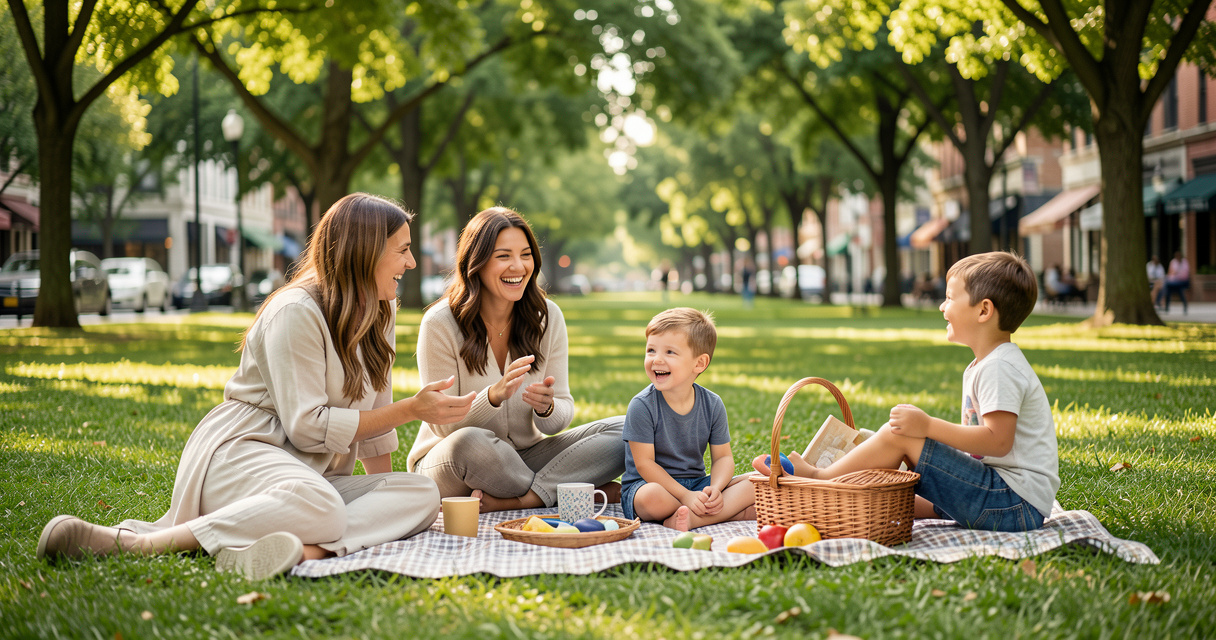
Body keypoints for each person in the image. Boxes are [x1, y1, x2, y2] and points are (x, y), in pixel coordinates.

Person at [36, 193, 475, 579]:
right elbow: (306, 427)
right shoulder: (295, 311)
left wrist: (387, 492)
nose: (412, 263)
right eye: (402, 250)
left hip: (312, 474)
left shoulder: (380, 309)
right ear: (365, 253)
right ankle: (143, 544)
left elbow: (376, 425)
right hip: (244, 452)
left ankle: (302, 551)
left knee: (420, 493)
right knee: (321, 506)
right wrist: (413, 409)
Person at [754, 252, 1058, 532]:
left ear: (984, 310)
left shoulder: (999, 367)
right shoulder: (987, 364)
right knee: (885, 482)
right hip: (1002, 499)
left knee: (899, 435)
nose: (942, 306)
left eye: (950, 298)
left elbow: (998, 441)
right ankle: (831, 499)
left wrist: (926, 428)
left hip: (1011, 505)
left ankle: (821, 479)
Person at [407, 206, 626, 512]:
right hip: (452, 461)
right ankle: (568, 489)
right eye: (503, 256)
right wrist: (492, 397)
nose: (518, 266)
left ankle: (521, 500)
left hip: (523, 457)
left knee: (628, 429)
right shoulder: (439, 324)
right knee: (472, 442)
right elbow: (443, 427)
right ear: (476, 263)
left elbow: (560, 415)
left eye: (525, 255)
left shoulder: (547, 317)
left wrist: (548, 407)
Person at [622, 308, 755, 531]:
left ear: (699, 364)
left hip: (697, 484)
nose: (657, 359)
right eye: (651, 350)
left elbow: (723, 458)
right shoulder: (642, 405)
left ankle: (691, 518)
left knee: (756, 482)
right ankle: (724, 514)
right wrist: (685, 496)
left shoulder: (712, 404)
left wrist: (715, 488)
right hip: (650, 487)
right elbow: (645, 464)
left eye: (670, 352)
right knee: (651, 498)